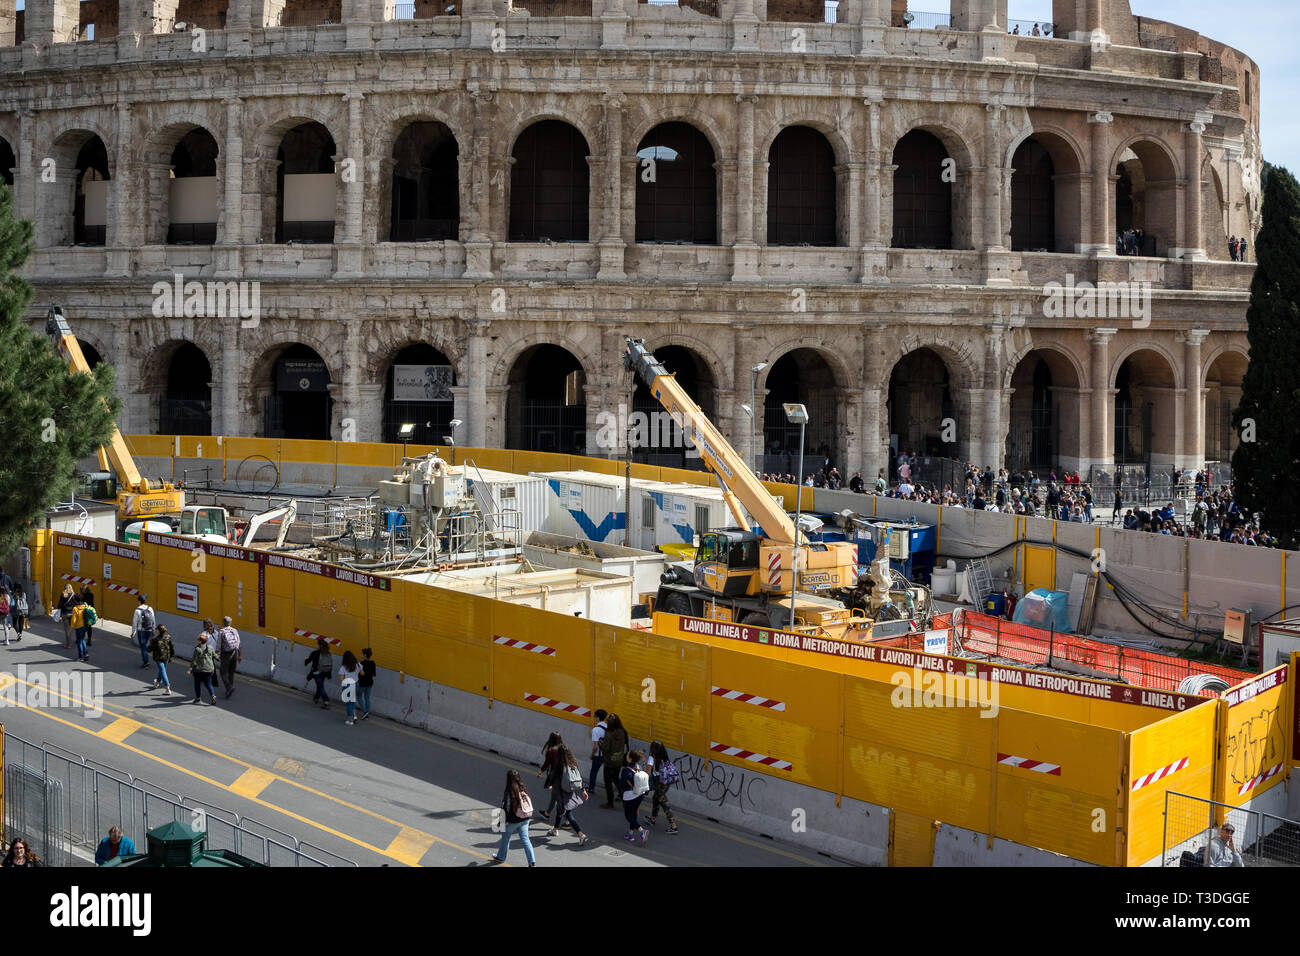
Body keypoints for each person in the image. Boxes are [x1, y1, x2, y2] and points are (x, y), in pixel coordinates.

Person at [489, 769, 537, 866]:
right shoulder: (523, 787)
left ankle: (501, 857)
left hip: (513, 821)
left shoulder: (509, 791)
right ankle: (532, 862)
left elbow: (506, 808)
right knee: (526, 840)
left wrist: (503, 821)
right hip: (525, 818)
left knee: (505, 838)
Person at [550, 743, 590, 845]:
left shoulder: (559, 765)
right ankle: (555, 829)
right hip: (571, 791)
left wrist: (549, 784)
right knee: (561, 810)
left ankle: (581, 834)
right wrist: (583, 790)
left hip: (561, 792)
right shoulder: (573, 763)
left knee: (568, 814)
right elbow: (577, 778)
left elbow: (552, 776)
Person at [644, 740, 680, 834]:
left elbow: (647, 773)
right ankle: (652, 819)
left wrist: (644, 761)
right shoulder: (664, 756)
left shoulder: (652, 758)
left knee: (664, 804)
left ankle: (673, 826)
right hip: (666, 782)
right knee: (656, 799)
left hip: (659, 783)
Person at [618, 749, 651, 844]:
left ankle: (642, 831)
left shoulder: (625, 770)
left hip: (630, 796)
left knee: (628, 815)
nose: (626, 755)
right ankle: (630, 833)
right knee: (634, 813)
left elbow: (622, 785)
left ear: (630, 758)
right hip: (640, 794)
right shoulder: (639, 766)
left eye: (628, 755)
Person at [599, 713, 629, 809]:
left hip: (609, 761)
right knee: (616, 779)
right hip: (619, 760)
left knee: (608, 782)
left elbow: (606, 748)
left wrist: (601, 743)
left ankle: (610, 803)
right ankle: (625, 800)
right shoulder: (622, 732)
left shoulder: (609, 734)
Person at [537, 731, 564, 829]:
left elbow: (546, 763)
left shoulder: (551, 751)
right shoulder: (564, 748)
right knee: (556, 795)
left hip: (556, 776)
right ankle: (547, 813)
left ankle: (567, 820)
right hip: (565, 776)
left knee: (557, 797)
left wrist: (540, 771)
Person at [189, 630, 218, 705]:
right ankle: (213, 696)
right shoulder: (210, 647)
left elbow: (194, 660)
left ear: (200, 641)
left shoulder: (197, 649)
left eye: (198, 640)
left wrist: (190, 669)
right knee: (208, 684)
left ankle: (198, 698)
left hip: (199, 670)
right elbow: (215, 656)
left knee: (197, 684)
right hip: (209, 669)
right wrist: (218, 658)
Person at [216, 616, 241, 698]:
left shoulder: (221, 632)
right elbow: (238, 644)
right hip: (234, 653)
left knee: (223, 672)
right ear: (231, 623)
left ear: (223, 622)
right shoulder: (235, 630)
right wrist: (240, 655)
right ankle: (230, 688)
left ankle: (229, 687)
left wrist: (216, 654)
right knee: (231, 672)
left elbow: (218, 645)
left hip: (225, 654)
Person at [147, 624, 175, 695]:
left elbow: (149, 649)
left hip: (159, 658)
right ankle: (157, 683)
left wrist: (150, 642)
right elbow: (172, 647)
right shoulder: (168, 637)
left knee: (162, 671)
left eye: (156, 629)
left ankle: (167, 688)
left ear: (159, 631)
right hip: (167, 657)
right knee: (162, 671)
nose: (156, 630)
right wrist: (171, 656)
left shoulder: (155, 640)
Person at [305, 638, 333, 708]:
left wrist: (306, 660)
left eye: (317, 644)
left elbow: (309, 660)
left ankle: (326, 701)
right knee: (319, 685)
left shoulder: (315, 653)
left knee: (320, 687)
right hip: (324, 672)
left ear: (319, 645)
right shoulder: (328, 653)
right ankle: (316, 698)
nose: (317, 646)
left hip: (317, 672)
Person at [131, 594, 156, 670]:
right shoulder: (150, 608)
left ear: (139, 601)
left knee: (143, 647)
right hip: (149, 630)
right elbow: (153, 620)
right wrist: (153, 630)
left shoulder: (137, 610)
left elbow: (134, 622)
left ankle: (146, 663)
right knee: (145, 645)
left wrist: (133, 632)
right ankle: (146, 661)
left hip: (141, 631)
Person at [337, 649, 361, 725]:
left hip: (347, 685)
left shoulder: (343, 667)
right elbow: (362, 673)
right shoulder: (358, 664)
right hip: (356, 684)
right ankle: (355, 717)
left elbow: (341, 678)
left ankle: (350, 720)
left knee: (349, 703)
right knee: (353, 701)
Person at [587, 709, 608, 792]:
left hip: (598, 755)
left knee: (594, 771)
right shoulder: (608, 727)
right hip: (607, 754)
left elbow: (595, 746)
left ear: (598, 718)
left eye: (595, 717)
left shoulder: (596, 730)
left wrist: (592, 755)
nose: (595, 718)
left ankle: (591, 788)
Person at [70, 592, 90, 663]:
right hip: (84, 626)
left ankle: (81, 656)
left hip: (79, 627)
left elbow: (74, 620)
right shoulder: (84, 606)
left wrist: (71, 627)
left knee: (79, 641)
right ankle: (86, 653)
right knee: (83, 640)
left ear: (75, 600)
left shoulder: (75, 608)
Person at [57, 583, 76, 648]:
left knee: (66, 630)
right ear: (71, 588)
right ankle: (70, 642)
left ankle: (68, 644)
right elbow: (76, 604)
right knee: (70, 629)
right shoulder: (73, 595)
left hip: (65, 614)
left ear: (65, 588)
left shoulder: (63, 594)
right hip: (72, 613)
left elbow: (59, 605)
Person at [358, 647, 375, 719]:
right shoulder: (373, 663)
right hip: (370, 682)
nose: (361, 655)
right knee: (367, 697)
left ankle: (365, 712)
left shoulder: (361, 664)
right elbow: (374, 674)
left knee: (358, 697)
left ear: (365, 655)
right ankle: (367, 712)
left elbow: (360, 674)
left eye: (362, 654)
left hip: (362, 683)